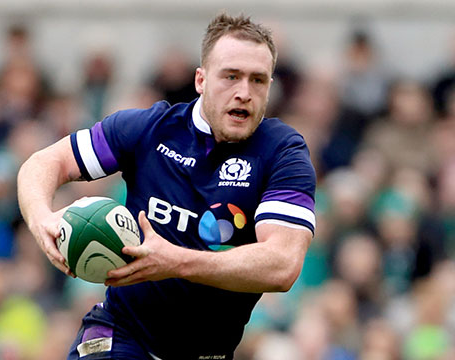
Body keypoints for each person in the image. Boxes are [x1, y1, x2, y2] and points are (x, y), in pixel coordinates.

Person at [18, 13, 316, 359]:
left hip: (208, 350)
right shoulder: (149, 129)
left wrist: (175, 261)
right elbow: (43, 163)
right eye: (231, 76)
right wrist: (42, 219)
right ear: (201, 80)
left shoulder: (283, 152)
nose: (244, 93)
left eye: (258, 80)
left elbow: (282, 264)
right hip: (122, 333)